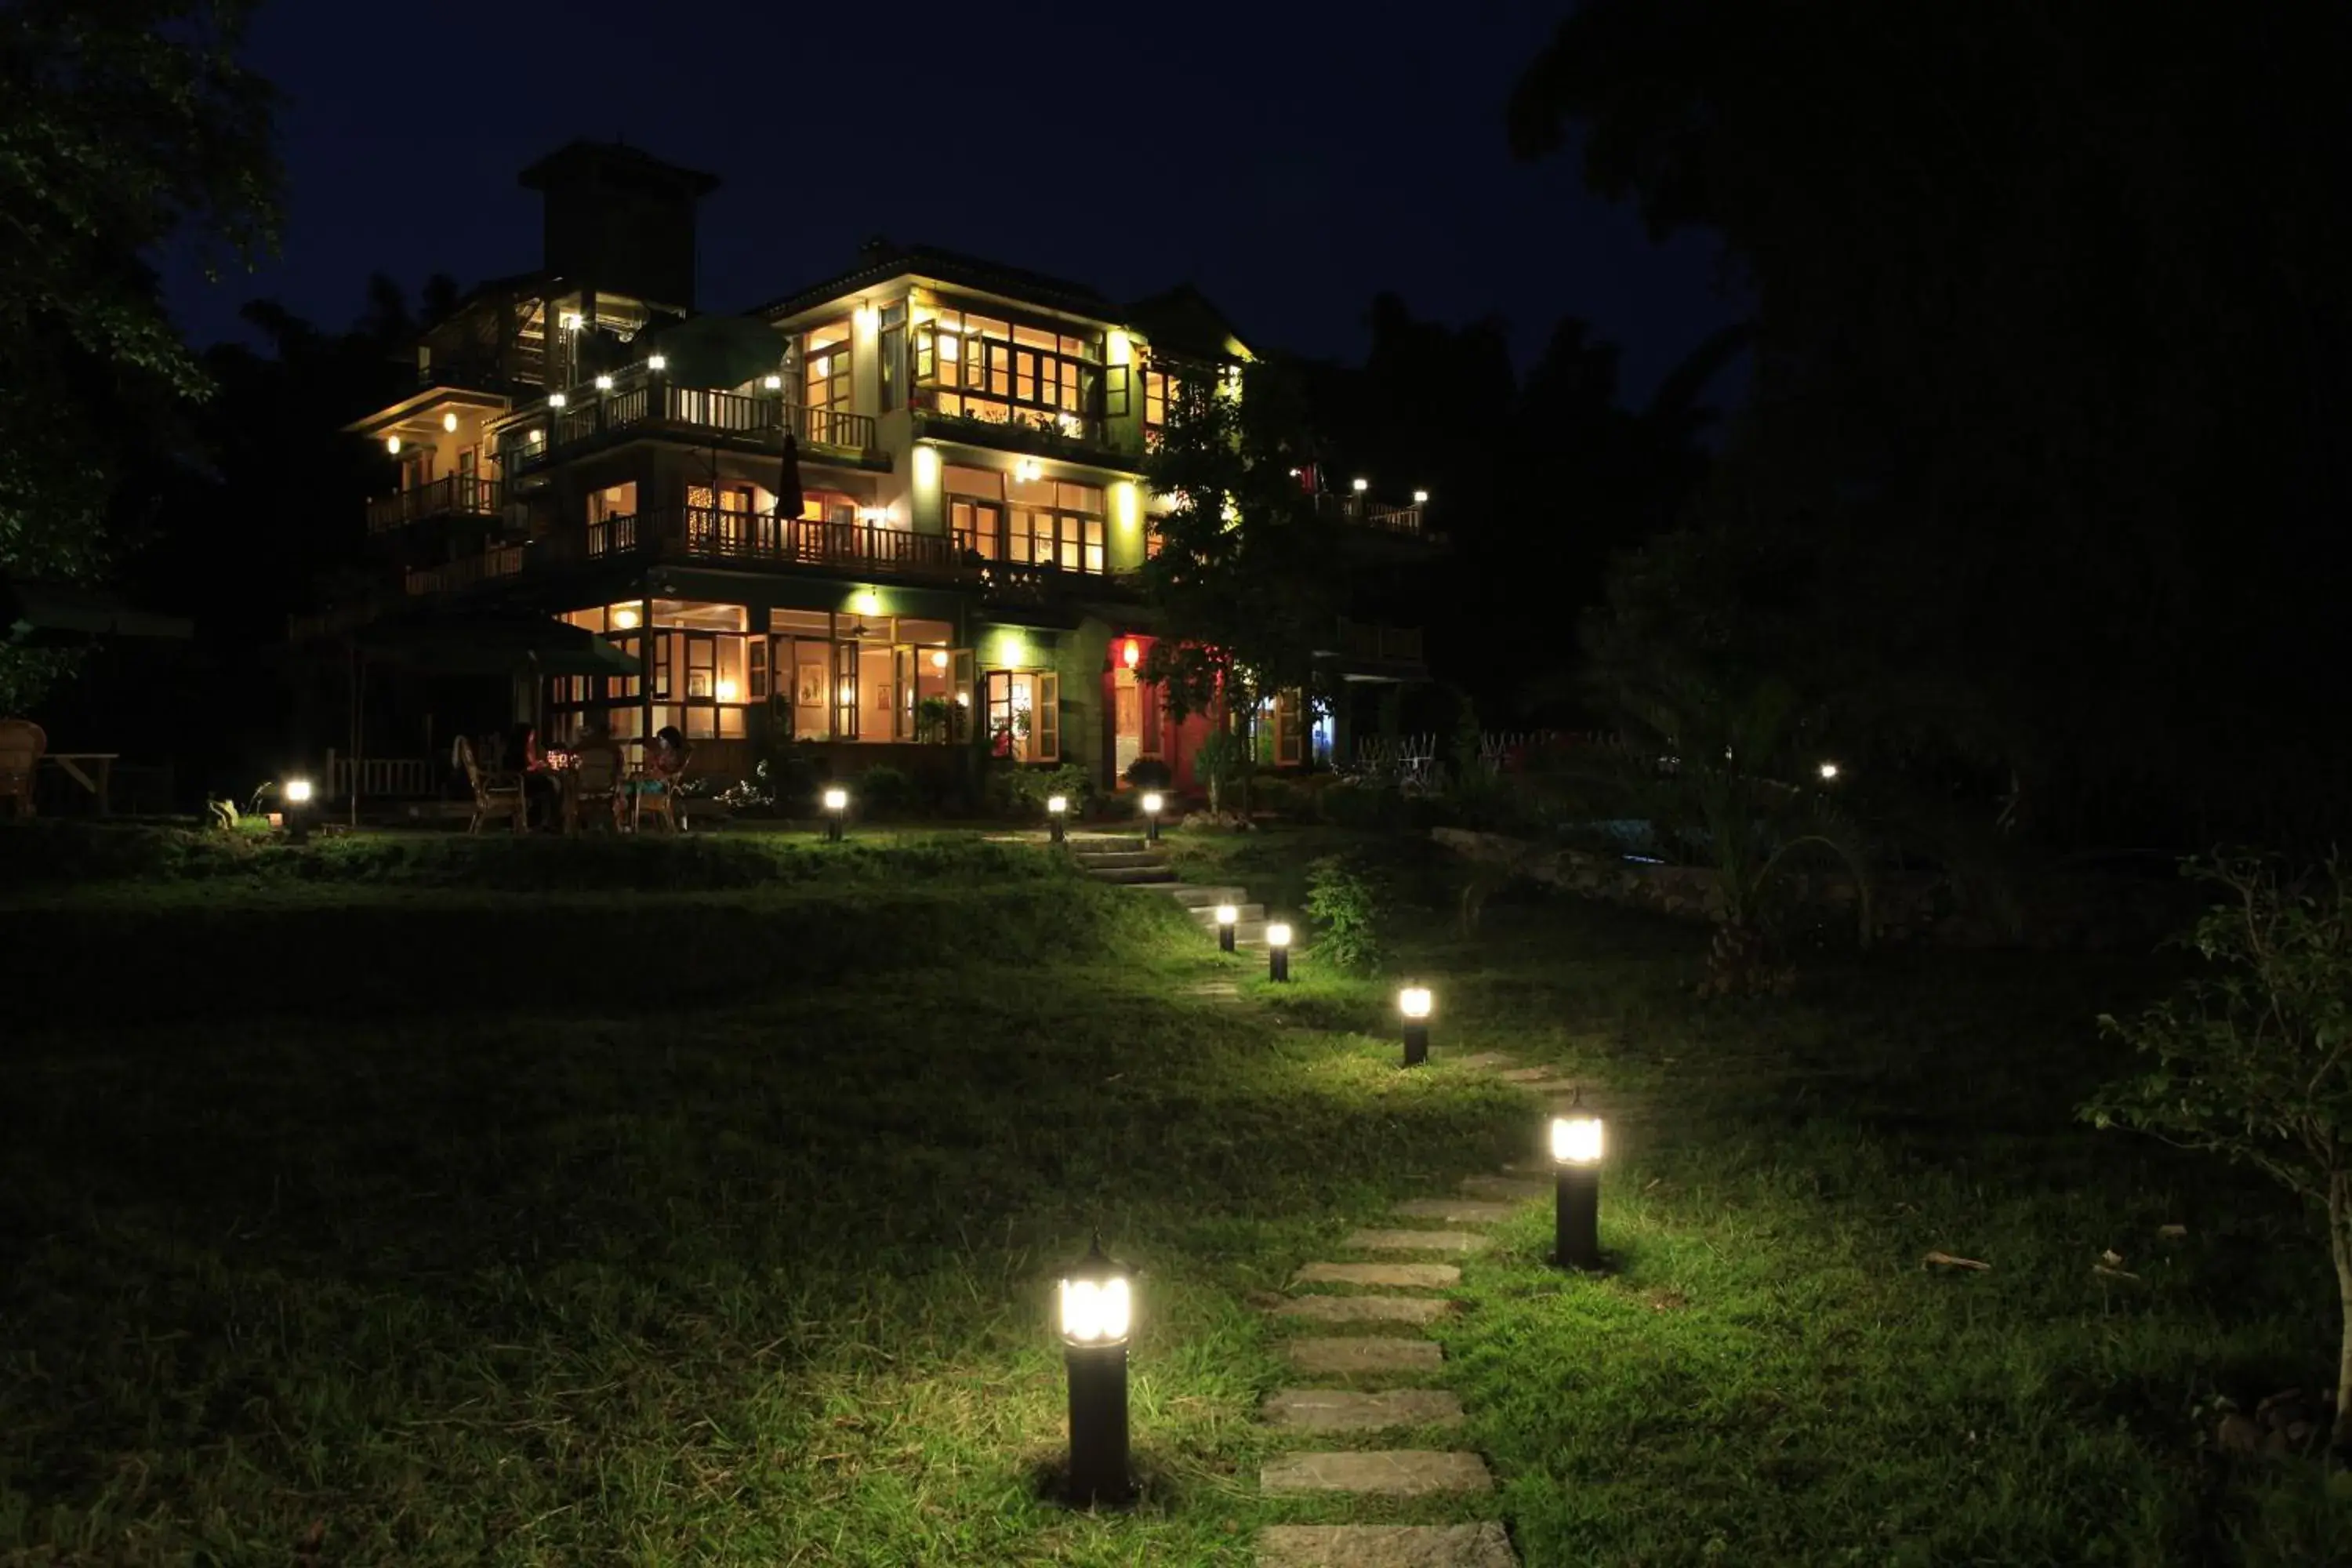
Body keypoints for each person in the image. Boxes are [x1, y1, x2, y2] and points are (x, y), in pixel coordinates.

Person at [508, 721, 561, 832]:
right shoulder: (516, 752)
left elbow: (530, 765)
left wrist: (537, 765)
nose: (532, 738)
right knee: (548, 785)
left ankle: (552, 819)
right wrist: (535, 768)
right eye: (530, 735)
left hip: (529, 779)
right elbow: (519, 769)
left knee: (552, 782)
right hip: (521, 782)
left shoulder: (528, 749)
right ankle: (548, 820)